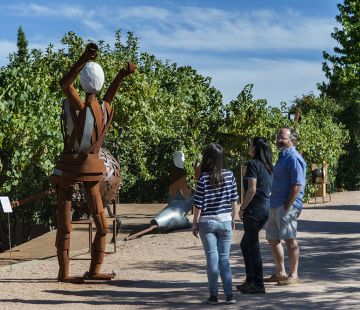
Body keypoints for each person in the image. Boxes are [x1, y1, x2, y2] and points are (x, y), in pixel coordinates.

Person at [52, 43, 136, 282]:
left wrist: (82, 59)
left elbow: (65, 84)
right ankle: (88, 269)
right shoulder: (104, 110)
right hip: (90, 168)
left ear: (82, 81)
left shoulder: (79, 106)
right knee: (101, 224)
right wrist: (121, 74)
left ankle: (67, 272)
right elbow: (109, 94)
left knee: (65, 222)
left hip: (71, 168)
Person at [192, 143, 238, 304]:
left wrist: (194, 223)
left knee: (212, 259)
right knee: (224, 259)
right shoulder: (230, 175)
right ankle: (230, 295)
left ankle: (214, 296)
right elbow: (234, 200)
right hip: (225, 221)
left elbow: (198, 203)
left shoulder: (203, 178)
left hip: (207, 222)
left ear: (207, 159)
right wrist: (234, 218)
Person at [264, 127, 306, 286]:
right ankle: (280, 272)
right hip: (274, 203)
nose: (278, 140)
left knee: (289, 239)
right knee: (272, 238)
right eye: (278, 137)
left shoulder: (294, 158)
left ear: (292, 140)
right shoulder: (282, 157)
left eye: (282, 137)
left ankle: (294, 275)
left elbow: (297, 184)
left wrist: (288, 204)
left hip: (286, 205)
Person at [237, 137, 273, 294]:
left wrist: (242, 208)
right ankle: (250, 279)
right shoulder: (268, 167)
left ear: (255, 148)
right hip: (265, 208)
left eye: (250, 144)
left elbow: (251, 189)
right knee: (245, 244)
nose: (248, 146)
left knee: (252, 245)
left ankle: (258, 283)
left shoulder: (252, 164)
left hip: (254, 209)